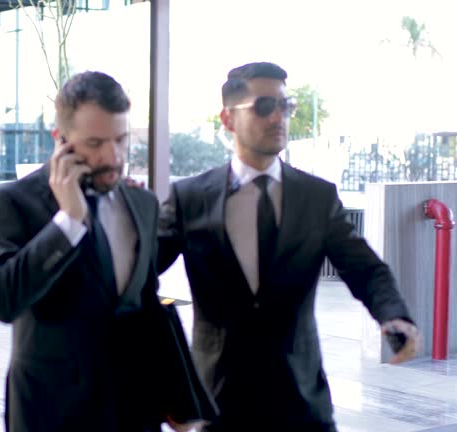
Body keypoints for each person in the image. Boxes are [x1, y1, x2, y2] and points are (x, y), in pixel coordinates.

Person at [157, 61, 421, 432]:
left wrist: (393, 315)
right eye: (265, 107)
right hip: (215, 403)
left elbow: (364, 268)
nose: (278, 117)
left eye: (286, 106)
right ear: (228, 119)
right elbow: (141, 271)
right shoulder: (190, 198)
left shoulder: (317, 197)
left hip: (300, 401)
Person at [0, 71, 199, 432]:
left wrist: (178, 399)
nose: (112, 157)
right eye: (95, 143)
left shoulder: (142, 204)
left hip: (134, 410)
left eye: (121, 140)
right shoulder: (12, 203)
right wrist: (68, 222)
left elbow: (146, 305)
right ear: (61, 140)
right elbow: (1, 301)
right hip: (52, 413)